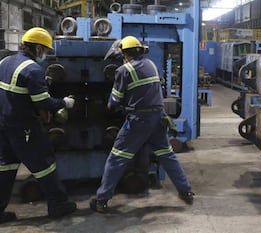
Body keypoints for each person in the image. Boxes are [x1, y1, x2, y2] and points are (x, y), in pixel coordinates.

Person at [90, 36, 194, 213]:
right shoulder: (151, 65)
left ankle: (102, 199)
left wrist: (109, 105)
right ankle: (186, 191)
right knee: (167, 155)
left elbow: (114, 102)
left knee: (117, 158)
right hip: (157, 118)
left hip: (138, 122)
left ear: (124, 53)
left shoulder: (124, 70)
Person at [0, 27, 77, 223]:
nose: (46, 55)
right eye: (45, 50)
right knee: (44, 163)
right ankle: (58, 204)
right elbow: (43, 102)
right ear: (36, 48)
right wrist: (64, 103)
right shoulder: (33, 69)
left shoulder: (5, 61)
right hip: (23, 126)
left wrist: (41, 83)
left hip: (3, 124)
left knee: (6, 167)